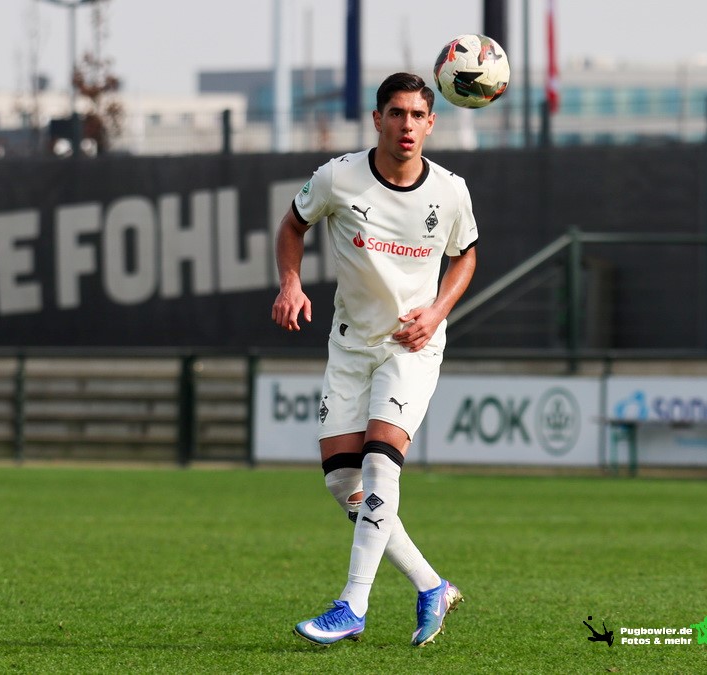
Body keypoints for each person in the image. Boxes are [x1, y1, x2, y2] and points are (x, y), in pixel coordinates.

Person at [271, 72, 478, 647]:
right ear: (378, 119)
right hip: (350, 344)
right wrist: (290, 283)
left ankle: (352, 605)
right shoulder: (338, 177)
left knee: (381, 463)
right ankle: (431, 584)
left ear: (431, 123)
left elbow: (465, 256)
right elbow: (292, 226)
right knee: (345, 482)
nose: (407, 125)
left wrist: (436, 312)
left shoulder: (450, 191)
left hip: (411, 345)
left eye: (417, 115)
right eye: (396, 113)